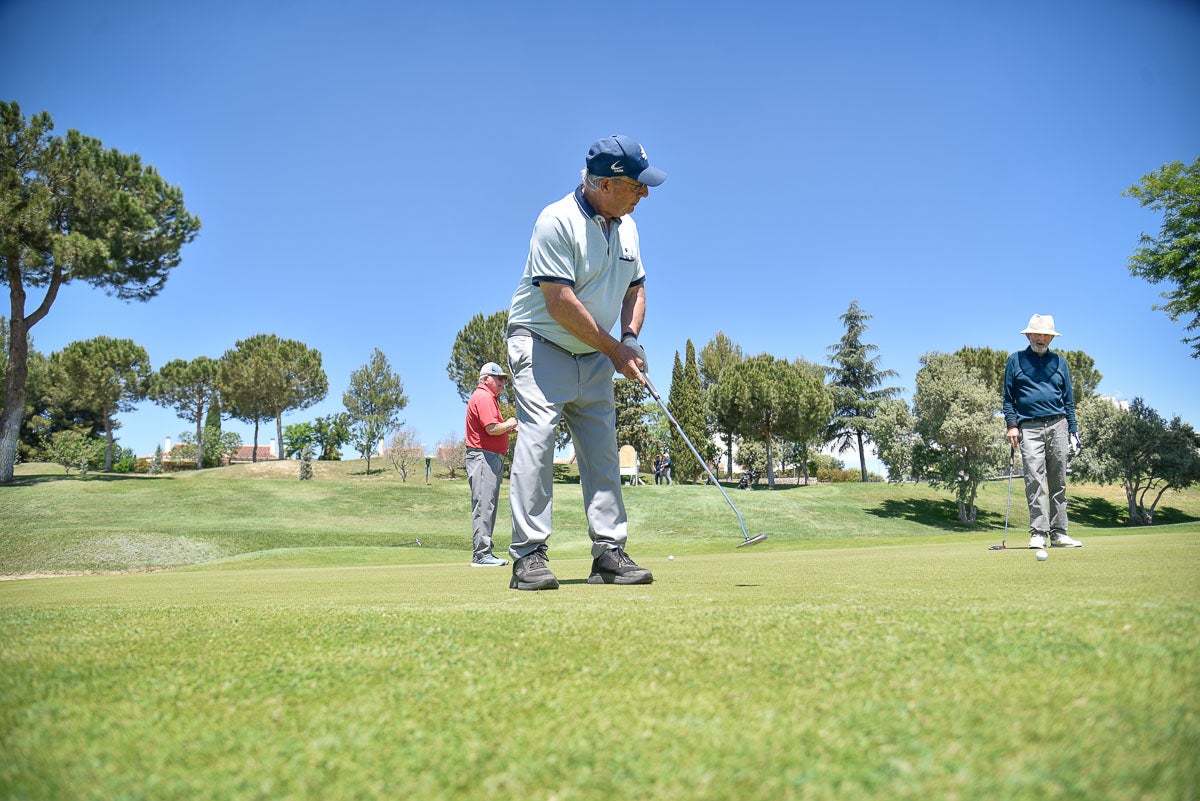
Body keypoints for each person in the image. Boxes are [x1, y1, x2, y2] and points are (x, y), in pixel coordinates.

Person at [504, 134, 666, 591]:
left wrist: (629, 339)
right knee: (537, 442)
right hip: (540, 342)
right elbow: (557, 302)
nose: (645, 193)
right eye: (637, 184)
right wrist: (614, 349)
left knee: (601, 450)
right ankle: (529, 557)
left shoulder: (628, 224)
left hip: (594, 349)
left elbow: (635, 288)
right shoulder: (556, 221)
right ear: (609, 183)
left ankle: (608, 553)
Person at [1002, 314, 1084, 549]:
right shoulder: (1015, 361)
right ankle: (1039, 532)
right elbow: (1009, 399)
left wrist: (1074, 430)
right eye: (1037, 334)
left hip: (1059, 425)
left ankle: (1059, 533)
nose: (1041, 338)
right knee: (1034, 480)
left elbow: (1069, 400)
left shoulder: (1060, 362)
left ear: (1051, 338)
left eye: (1046, 335)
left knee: (1058, 480)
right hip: (1029, 427)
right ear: (1028, 335)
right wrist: (1012, 425)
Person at [465, 362, 518, 567]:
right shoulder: (484, 397)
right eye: (499, 378)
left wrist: (506, 429)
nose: (503, 382)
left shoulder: (488, 398)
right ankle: (481, 555)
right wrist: (510, 423)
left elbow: (495, 428)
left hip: (488, 457)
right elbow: (491, 428)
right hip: (483, 457)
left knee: (488, 505)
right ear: (486, 378)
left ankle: (484, 553)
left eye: (504, 378)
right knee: (484, 505)